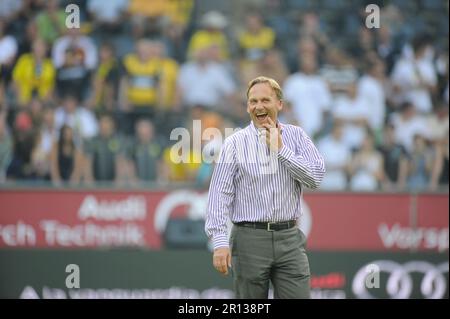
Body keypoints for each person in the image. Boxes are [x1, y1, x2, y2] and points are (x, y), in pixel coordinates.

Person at [205, 76, 325, 299]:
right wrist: (220, 241)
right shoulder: (234, 143)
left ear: (279, 104)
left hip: (290, 238)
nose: (258, 106)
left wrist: (281, 150)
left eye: (265, 100)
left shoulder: (297, 136)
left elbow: (316, 178)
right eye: (253, 101)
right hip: (248, 239)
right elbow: (219, 195)